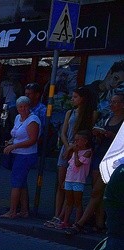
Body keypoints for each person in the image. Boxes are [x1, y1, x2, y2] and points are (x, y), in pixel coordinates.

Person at [70, 91, 124, 235]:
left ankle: (80, 223)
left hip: (114, 160)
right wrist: (98, 134)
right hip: (100, 155)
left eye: (116, 102)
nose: (112, 104)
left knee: (96, 191)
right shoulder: (108, 118)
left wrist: (111, 135)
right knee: (98, 192)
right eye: (111, 101)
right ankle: (99, 223)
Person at [47, 87, 98, 227]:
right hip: (67, 147)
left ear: (83, 98)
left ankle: (65, 217)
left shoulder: (91, 114)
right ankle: (57, 215)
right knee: (61, 184)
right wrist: (67, 146)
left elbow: (87, 135)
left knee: (71, 185)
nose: (72, 99)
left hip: (79, 149)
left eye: (75, 97)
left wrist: (73, 148)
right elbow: (63, 132)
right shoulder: (70, 112)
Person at [2, 96, 40, 219]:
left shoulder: (33, 120)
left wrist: (14, 146)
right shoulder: (18, 118)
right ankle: (24, 210)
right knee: (22, 183)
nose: (22, 109)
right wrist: (11, 142)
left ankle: (12, 211)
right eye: (20, 106)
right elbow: (17, 135)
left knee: (16, 183)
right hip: (18, 153)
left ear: (29, 107)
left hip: (26, 155)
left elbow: (33, 140)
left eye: (25, 106)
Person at [59, 131, 93, 229]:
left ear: (85, 141)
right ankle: (65, 221)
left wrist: (77, 153)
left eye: (78, 140)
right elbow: (65, 158)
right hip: (69, 179)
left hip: (79, 180)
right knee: (69, 202)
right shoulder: (74, 151)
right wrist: (69, 149)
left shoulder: (88, 152)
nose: (76, 142)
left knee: (78, 202)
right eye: (75, 140)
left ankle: (77, 223)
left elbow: (78, 164)